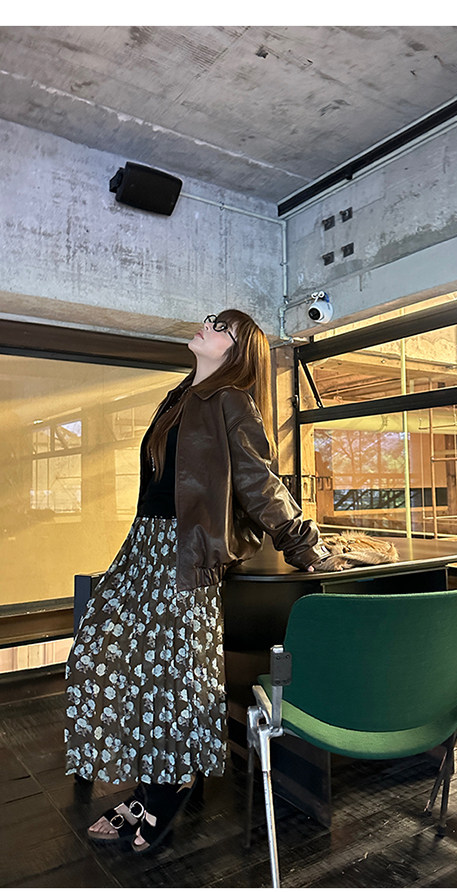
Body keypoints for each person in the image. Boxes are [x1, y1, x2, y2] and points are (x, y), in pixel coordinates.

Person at [64, 309, 332, 854]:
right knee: (115, 660)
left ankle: (165, 788)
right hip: (145, 546)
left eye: (221, 327)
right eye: (212, 320)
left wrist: (304, 545)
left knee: (175, 677)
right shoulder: (181, 397)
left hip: (184, 553)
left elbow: (259, 482)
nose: (207, 326)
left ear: (236, 352)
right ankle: (152, 782)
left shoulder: (231, 400)